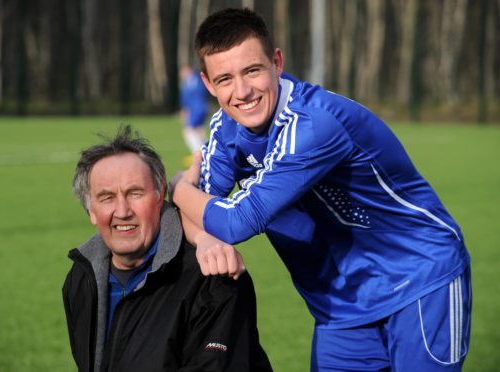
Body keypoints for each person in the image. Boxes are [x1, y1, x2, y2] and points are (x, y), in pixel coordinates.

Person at [172, 8, 472, 372]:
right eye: (225, 79)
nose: (242, 92)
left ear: (277, 62)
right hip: (340, 306)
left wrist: (177, 187)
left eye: (252, 70)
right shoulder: (223, 127)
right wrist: (203, 240)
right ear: (208, 84)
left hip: (419, 280)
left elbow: (236, 221)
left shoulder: (314, 124)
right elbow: (203, 210)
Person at [62, 125, 272, 372]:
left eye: (135, 193)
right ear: (91, 212)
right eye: (107, 197)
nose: (122, 211)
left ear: (160, 195)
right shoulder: (81, 279)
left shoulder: (213, 276)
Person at [179, 64, 209, 165]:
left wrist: (186, 110)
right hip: (198, 109)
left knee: (188, 131)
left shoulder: (193, 81)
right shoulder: (189, 82)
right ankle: (206, 153)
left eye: (183, 72)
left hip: (197, 110)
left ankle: (198, 155)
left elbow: (194, 96)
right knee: (199, 131)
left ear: (189, 71)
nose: (181, 75)